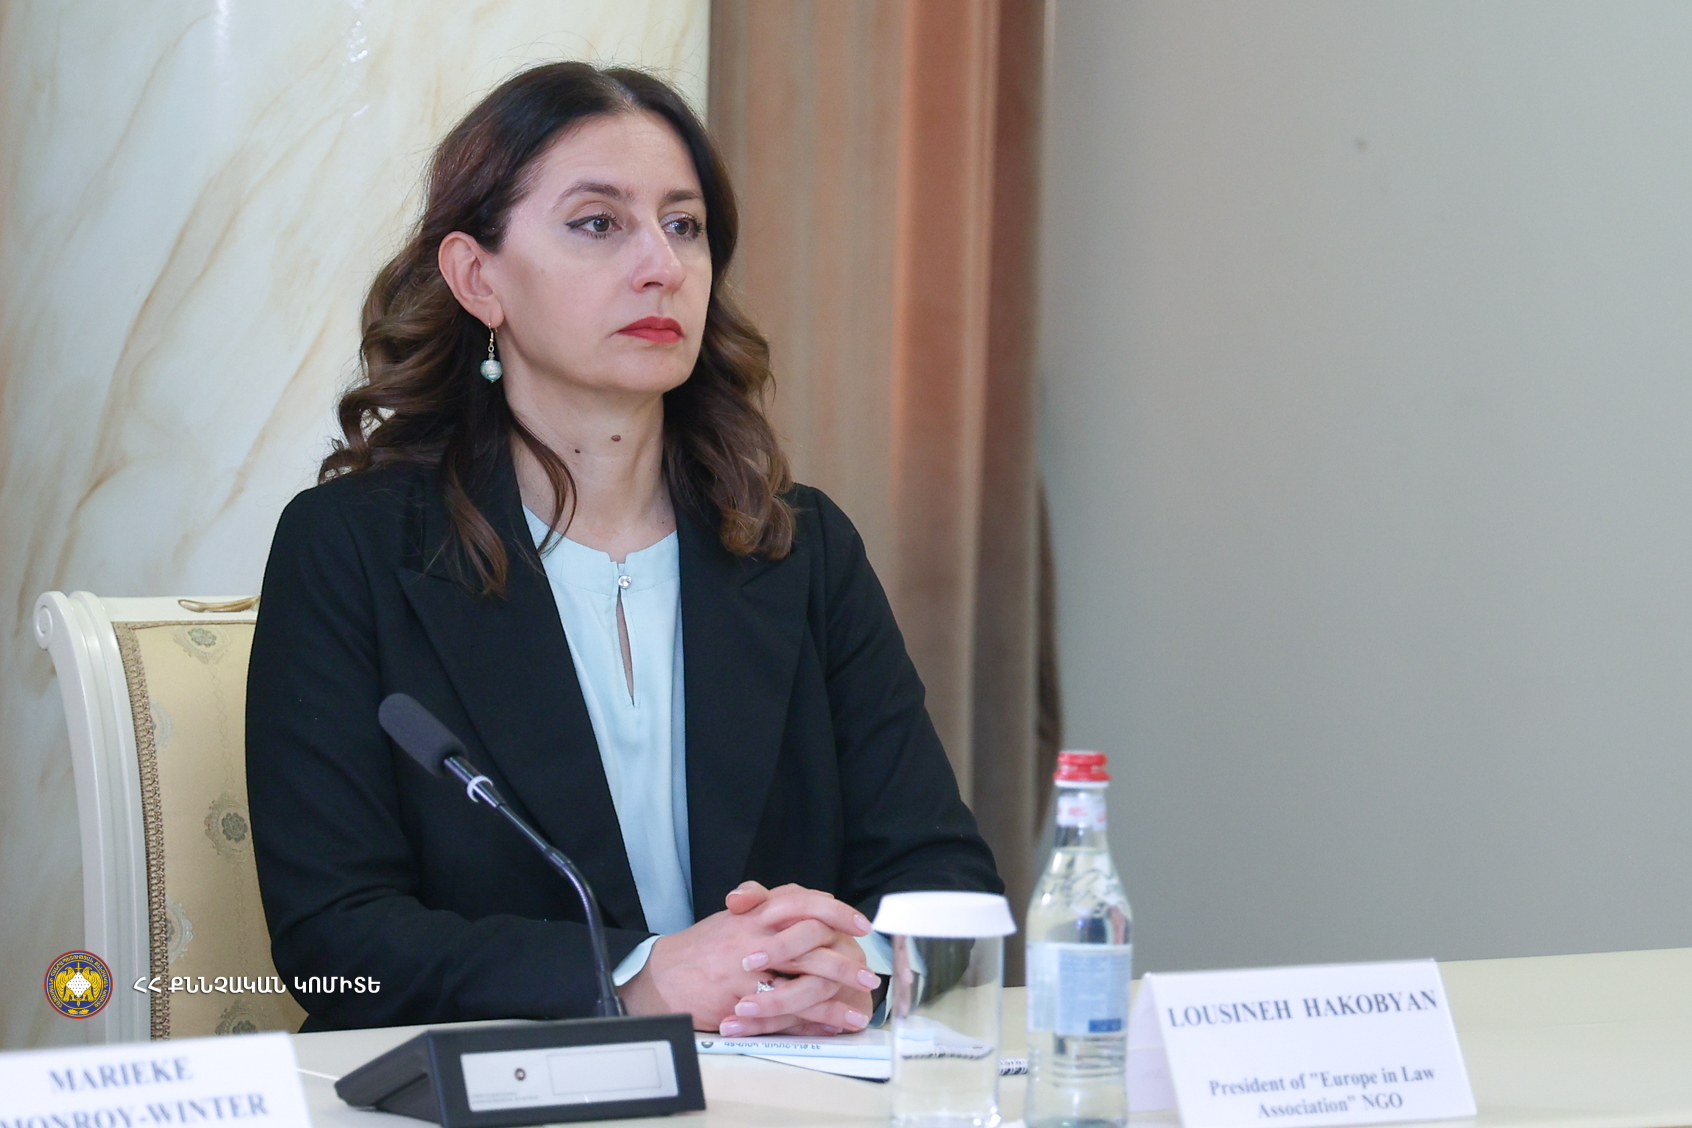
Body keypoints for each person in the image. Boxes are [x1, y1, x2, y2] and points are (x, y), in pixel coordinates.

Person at [245, 61, 1002, 1035]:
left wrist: (855, 965)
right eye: (599, 224)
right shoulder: (351, 549)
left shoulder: (801, 548)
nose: (662, 266)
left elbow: (944, 880)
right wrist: (638, 978)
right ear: (478, 278)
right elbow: (336, 940)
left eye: (684, 226)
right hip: (506, 1086)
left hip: (782, 1083)